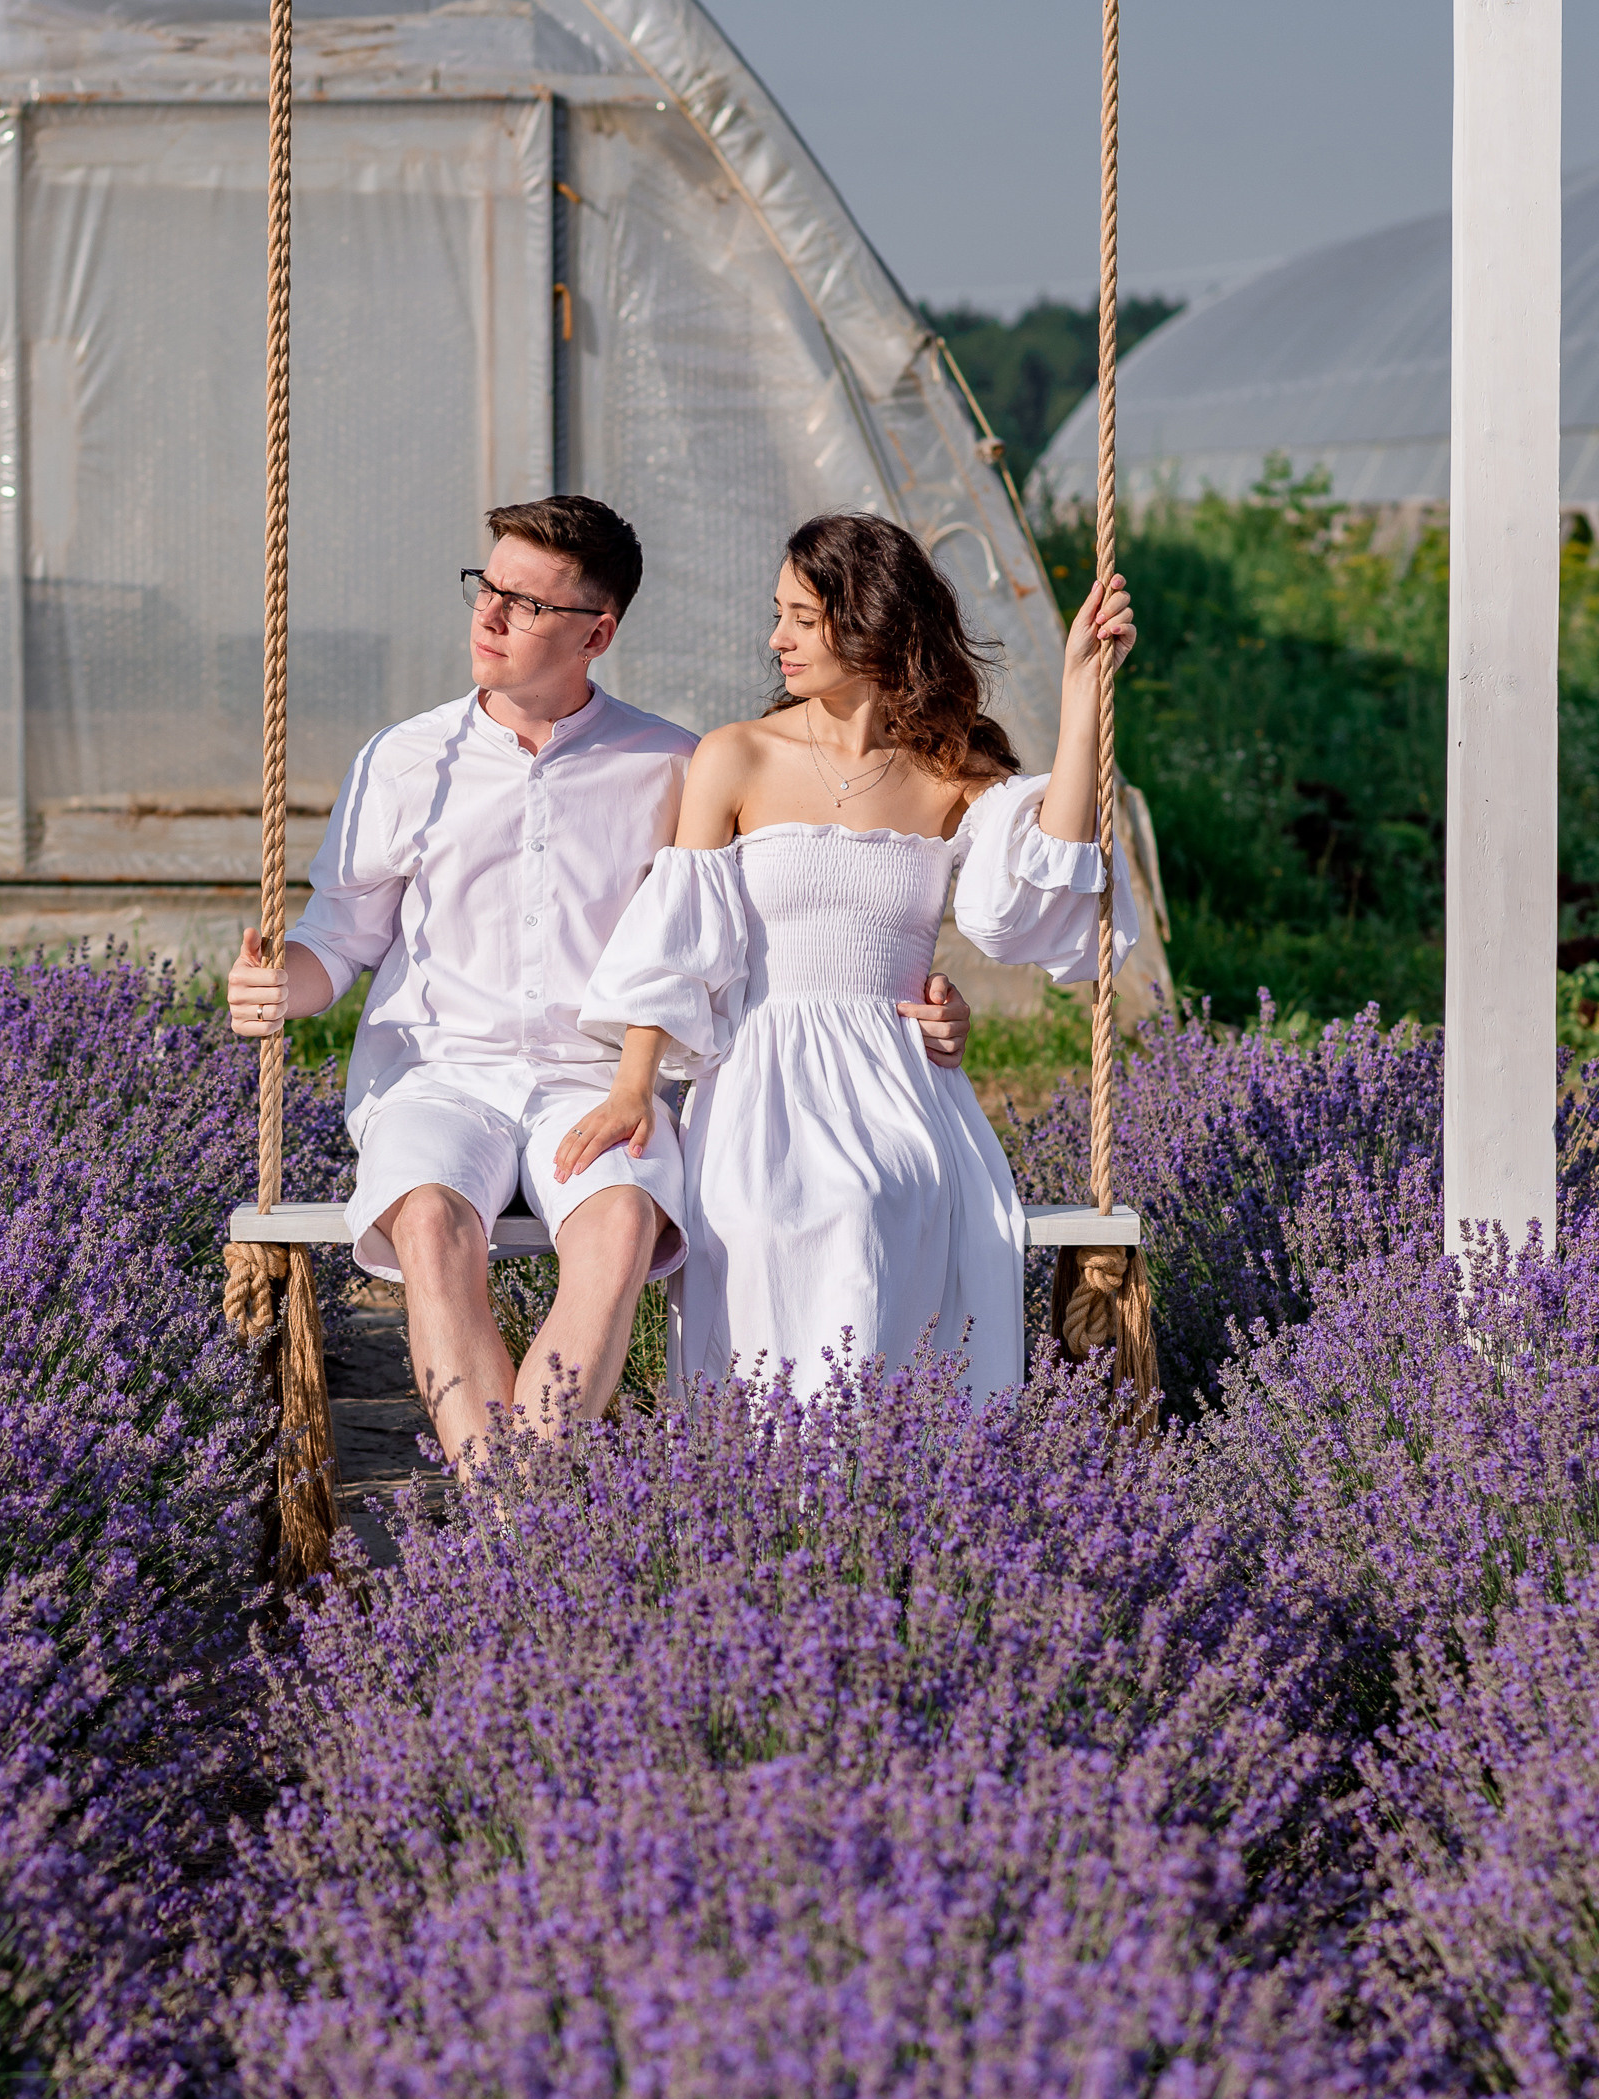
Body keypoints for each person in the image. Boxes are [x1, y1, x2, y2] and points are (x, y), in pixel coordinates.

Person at [226, 494, 977, 1461]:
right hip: (439, 1075)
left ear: (598, 631)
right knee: (430, 1219)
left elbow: (769, 927)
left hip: (598, 1084)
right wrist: (279, 983)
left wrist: (927, 999)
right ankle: (517, 1522)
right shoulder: (407, 761)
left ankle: (511, 1517)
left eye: (525, 604)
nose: (489, 618)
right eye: (485, 589)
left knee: (621, 1223)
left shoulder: (671, 764)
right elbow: (339, 939)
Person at [560, 512, 1137, 1406]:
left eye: (799, 616)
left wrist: (1081, 694)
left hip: (898, 1082)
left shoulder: (951, 770)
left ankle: (885, 1492)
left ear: (868, 620)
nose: (775, 638)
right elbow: (679, 939)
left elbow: (1038, 883)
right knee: (756, 1225)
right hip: (762, 1074)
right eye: (776, 613)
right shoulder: (737, 756)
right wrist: (634, 1088)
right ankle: (763, 1494)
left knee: (872, 1208)